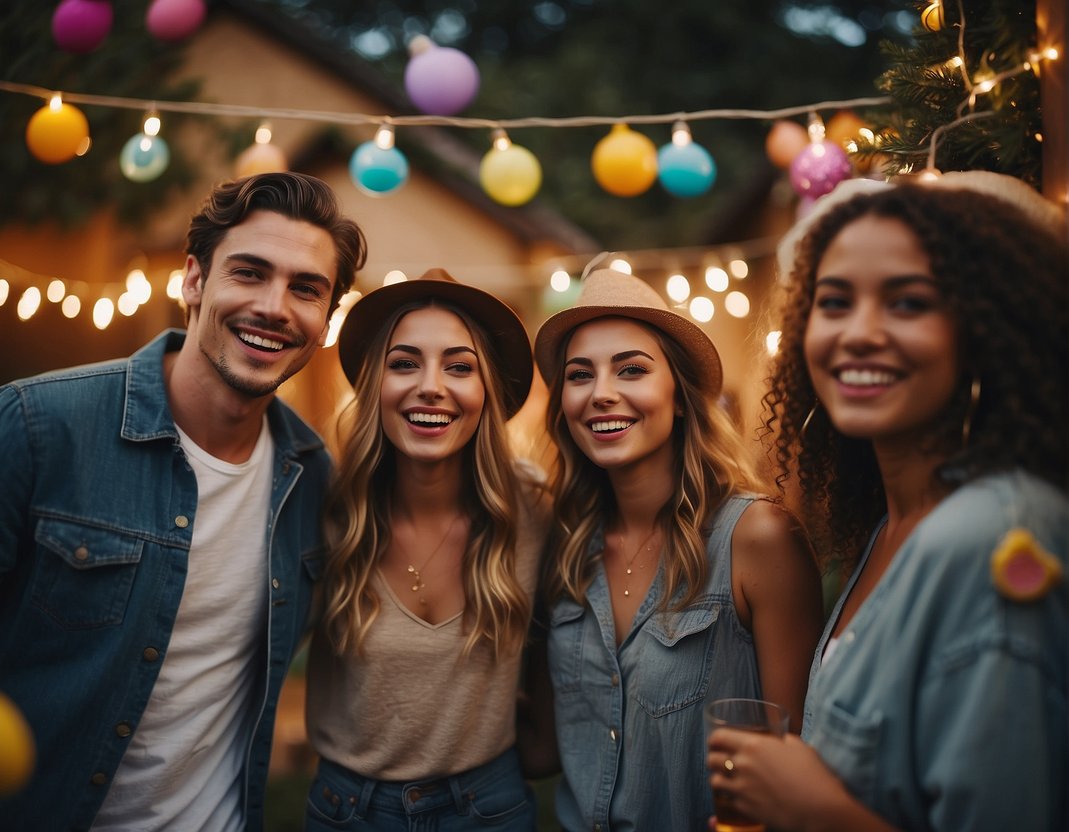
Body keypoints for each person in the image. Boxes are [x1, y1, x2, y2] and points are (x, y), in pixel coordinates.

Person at [0, 172, 367, 831]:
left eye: (306, 288)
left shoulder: (312, 478)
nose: (274, 305)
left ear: (326, 322)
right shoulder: (37, 428)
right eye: (249, 273)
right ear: (193, 281)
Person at [706, 172, 1067, 831]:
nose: (858, 333)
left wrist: (811, 810)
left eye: (907, 303)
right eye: (834, 302)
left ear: (986, 326)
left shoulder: (994, 540)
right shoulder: (889, 525)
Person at [531, 266, 824, 831]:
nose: (602, 394)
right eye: (580, 375)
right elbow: (544, 748)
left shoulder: (757, 538)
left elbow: (801, 760)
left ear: (682, 397)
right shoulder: (564, 550)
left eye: (632, 370)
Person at [303, 268, 549, 831]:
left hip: (490, 806)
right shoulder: (325, 510)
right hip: (348, 810)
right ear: (375, 385)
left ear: (487, 391)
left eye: (459, 366)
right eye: (404, 362)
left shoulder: (533, 510)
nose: (431, 386)